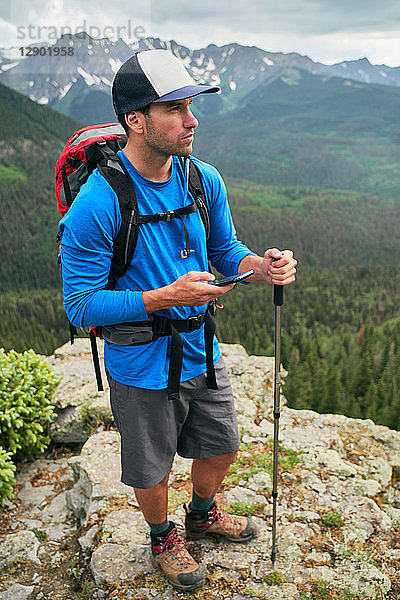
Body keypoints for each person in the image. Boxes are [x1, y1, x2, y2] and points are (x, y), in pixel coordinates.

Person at [59, 49, 297, 592]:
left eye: (190, 107)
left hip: (200, 348)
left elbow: (224, 247)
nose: (192, 121)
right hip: (140, 356)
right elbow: (80, 306)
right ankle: (163, 534)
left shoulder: (201, 178)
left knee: (223, 443)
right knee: (151, 465)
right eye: (175, 109)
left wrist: (258, 266)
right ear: (135, 120)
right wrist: (161, 297)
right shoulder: (97, 204)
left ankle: (203, 513)